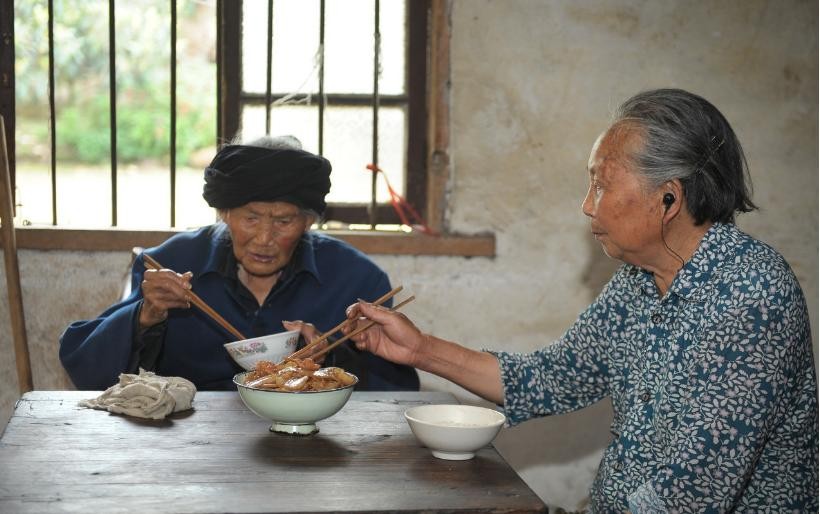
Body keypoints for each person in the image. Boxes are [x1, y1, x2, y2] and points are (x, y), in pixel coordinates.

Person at [343, 89, 818, 512]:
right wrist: (420, 349)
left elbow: (692, 495)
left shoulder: (751, 294)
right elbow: (551, 379)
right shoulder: (638, 281)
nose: (588, 205)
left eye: (602, 185)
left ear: (669, 200)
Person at [60, 135, 419, 392]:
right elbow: (88, 369)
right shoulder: (173, 262)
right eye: (250, 218)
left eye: (283, 221)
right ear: (224, 213)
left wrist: (332, 361)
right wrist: (146, 315)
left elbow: (397, 391)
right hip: (188, 439)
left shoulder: (356, 279)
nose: (264, 238)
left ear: (308, 221)